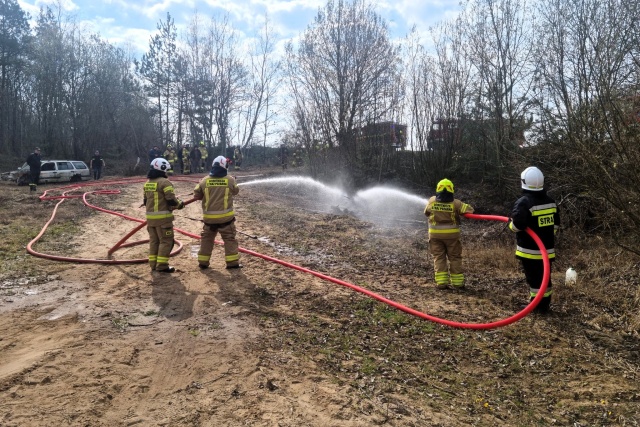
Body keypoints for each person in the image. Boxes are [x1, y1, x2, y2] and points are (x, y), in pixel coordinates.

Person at [509, 166, 559, 313]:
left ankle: (536, 306)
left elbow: (518, 224)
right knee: (545, 278)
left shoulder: (524, 203)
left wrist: (511, 226)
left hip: (529, 251)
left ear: (523, 182)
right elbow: (556, 224)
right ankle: (544, 305)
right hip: (547, 250)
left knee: (534, 279)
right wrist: (547, 235)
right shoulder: (551, 202)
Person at [423, 178, 474, 289]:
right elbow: (470, 210)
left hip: (435, 236)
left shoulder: (432, 200)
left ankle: (441, 283)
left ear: (438, 189)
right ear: (452, 190)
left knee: (439, 257)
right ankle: (458, 283)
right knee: (455, 258)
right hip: (452, 237)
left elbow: (426, 212)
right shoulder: (456, 203)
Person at [193, 155, 242, 270]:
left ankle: (203, 262)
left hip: (209, 219)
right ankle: (232, 263)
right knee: (229, 239)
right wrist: (233, 180)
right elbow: (236, 191)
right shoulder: (230, 180)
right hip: (226, 219)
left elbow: (197, 195)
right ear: (225, 166)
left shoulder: (204, 180)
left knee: (207, 239)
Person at [144, 158, 184, 273]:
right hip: (163, 220)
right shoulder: (164, 182)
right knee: (166, 241)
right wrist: (179, 204)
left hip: (150, 220)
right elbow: (171, 199)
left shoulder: (147, 183)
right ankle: (162, 266)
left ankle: (153, 265)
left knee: (154, 242)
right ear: (162, 169)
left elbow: (145, 201)